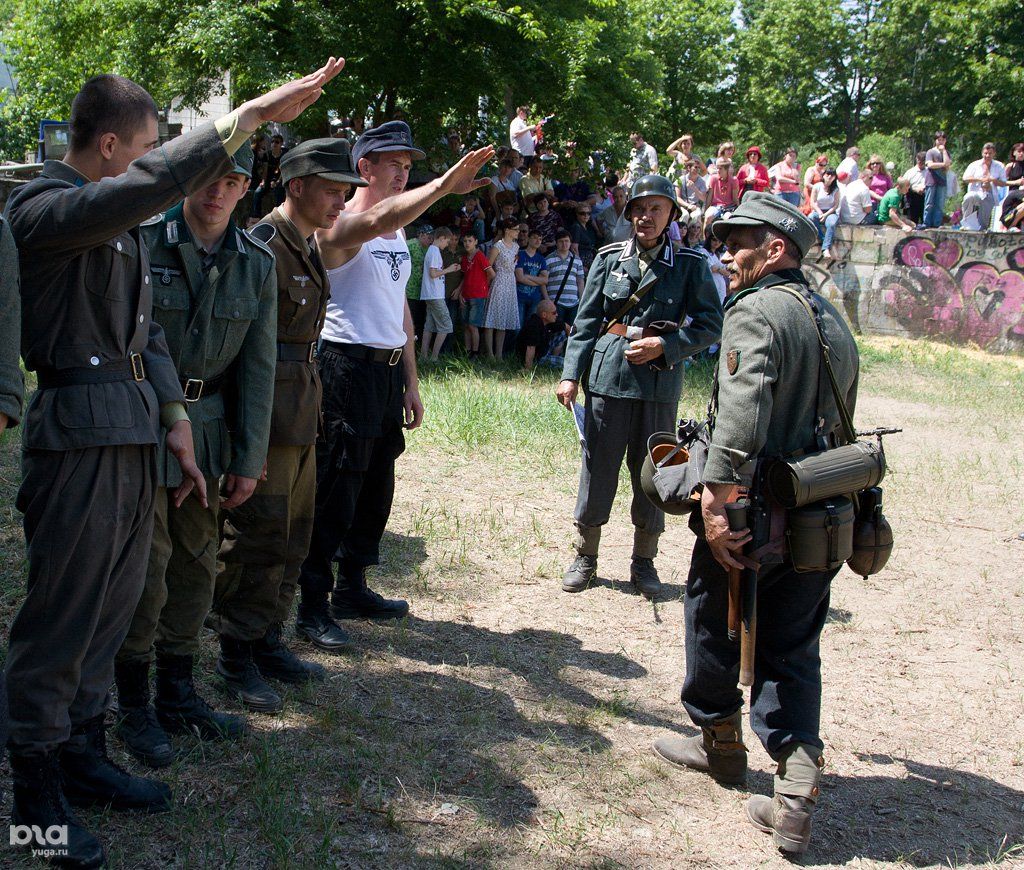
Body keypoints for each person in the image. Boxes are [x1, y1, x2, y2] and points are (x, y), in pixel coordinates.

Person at [3, 61, 342, 868]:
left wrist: (178, 421)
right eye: (150, 147)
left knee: (114, 604)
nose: (158, 160)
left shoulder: (110, 222)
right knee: (61, 620)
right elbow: (145, 189)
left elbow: (146, 334)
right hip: (78, 433)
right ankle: (35, 806)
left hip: (134, 431)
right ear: (113, 145)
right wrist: (248, 116)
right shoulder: (47, 208)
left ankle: (83, 757)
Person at [652, 193, 858, 856]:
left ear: (776, 250)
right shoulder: (829, 316)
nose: (726, 254)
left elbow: (741, 413)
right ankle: (795, 794)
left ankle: (721, 744)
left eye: (740, 242)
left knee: (713, 616)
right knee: (794, 647)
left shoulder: (756, 311)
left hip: (753, 511)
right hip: (820, 511)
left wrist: (716, 504)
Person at [293, 122, 493, 648]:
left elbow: (398, 306)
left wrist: (410, 379)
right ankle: (312, 603)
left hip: (383, 370)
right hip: (345, 366)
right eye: (394, 165)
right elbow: (382, 215)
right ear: (364, 168)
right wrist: (445, 186)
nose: (404, 174)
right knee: (338, 484)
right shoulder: (344, 224)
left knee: (377, 482)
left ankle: (353, 587)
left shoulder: (396, 230)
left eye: (409, 166)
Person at [114, 142, 276, 768]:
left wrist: (248, 456)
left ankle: (179, 695)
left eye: (232, 181)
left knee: (197, 564)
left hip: (209, 435)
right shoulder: (143, 242)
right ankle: (134, 707)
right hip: (145, 422)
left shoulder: (253, 265)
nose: (217, 193)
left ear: (244, 189)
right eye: (209, 178)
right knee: (147, 567)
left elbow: (257, 371)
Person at [209, 137, 366, 711]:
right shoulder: (263, 246)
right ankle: (236, 653)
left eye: (346, 192)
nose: (342, 203)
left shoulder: (305, 243)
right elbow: (238, 349)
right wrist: (245, 438)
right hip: (266, 416)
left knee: (295, 534)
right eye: (332, 191)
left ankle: (269, 637)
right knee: (258, 536)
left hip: (302, 410)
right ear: (296, 186)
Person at [556, 175, 722, 599]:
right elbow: (588, 320)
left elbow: (709, 325)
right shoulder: (609, 258)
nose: (646, 217)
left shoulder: (690, 265)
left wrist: (666, 345)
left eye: (656, 209)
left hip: (658, 383)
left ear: (671, 216)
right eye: (639, 208)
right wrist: (571, 374)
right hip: (609, 378)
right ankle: (585, 555)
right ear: (629, 213)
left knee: (656, 473)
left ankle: (644, 561)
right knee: (598, 467)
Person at [419, 226, 460, 361]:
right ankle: (434, 357)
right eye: (447, 241)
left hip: (430, 294)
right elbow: (433, 273)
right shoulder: (435, 251)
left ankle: (423, 357)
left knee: (429, 326)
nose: (447, 244)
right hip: (435, 295)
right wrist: (448, 270)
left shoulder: (432, 250)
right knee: (446, 325)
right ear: (441, 238)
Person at [482, 217, 520, 359]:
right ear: (507, 230)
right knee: (492, 317)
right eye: (515, 229)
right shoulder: (498, 246)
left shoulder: (516, 246)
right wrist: (487, 285)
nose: (518, 232)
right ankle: (490, 354)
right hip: (499, 281)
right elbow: (488, 266)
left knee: (503, 320)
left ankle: (499, 354)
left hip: (510, 282)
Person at [459, 231, 494, 356]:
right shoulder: (464, 257)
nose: (467, 244)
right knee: (467, 325)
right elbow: (465, 276)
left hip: (478, 296)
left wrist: (484, 286)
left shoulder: (480, 256)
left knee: (473, 325)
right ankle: (467, 351)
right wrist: (460, 292)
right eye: (465, 241)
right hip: (466, 294)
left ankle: (475, 352)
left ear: (476, 242)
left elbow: (491, 273)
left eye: (470, 241)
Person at [960, 142, 1007, 231]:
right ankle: (967, 224)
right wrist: (980, 179)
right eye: (985, 153)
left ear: (994, 154)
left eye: (990, 153)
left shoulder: (999, 166)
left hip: (990, 193)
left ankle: (982, 228)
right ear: (982, 153)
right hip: (976, 191)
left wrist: (992, 180)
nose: (987, 155)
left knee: (987, 207)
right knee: (969, 197)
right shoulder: (974, 165)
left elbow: (1003, 183)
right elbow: (965, 178)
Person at [545, 229, 585, 324]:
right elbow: (543, 282)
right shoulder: (548, 259)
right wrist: (547, 300)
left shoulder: (577, 260)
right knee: (556, 331)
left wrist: (582, 300)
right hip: (555, 301)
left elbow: (580, 281)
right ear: (556, 243)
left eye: (566, 241)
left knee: (572, 331)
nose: (564, 244)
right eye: (561, 241)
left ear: (570, 243)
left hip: (574, 302)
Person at [517, 299, 567, 369]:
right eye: (554, 313)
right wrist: (528, 368)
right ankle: (553, 362)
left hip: (544, 350)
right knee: (566, 363)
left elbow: (566, 326)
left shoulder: (548, 321)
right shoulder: (533, 326)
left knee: (562, 333)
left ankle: (554, 358)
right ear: (544, 315)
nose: (557, 314)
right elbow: (530, 348)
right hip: (537, 358)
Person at [515, 228, 549, 327]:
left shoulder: (541, 259)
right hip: (519, 296)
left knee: (530, 326)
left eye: (540, 239)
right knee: (518, 327)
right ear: (528, 239)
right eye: (535, 238)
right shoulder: (520, 254)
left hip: (535, 298)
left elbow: (545, 280)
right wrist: (538, 281)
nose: (538, 241)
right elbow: (519, 278)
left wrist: (527, 276)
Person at [809, 167, 844, 259]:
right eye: (827, 174)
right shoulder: (817, 186)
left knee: (831, 223)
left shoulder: (836, 189)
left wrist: (825, 214)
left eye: (832, 175)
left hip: (830, 211)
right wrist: (820, 212)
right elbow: (812, 202)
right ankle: (823, 238)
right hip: (818, 210)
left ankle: (825, 248)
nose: (829, 177)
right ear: (823, 175)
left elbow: (836, 205)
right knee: (811, 217)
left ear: (834, 177)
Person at [405, 224, 433, 339]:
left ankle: (418, 345)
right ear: (421, 235)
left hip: (422, 291)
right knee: (410, 318)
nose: (431, 240)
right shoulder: (410, 244)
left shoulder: (429, 249)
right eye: (428, 237)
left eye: (432, 237)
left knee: (420, 318)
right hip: (409, 290)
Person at [252, 133, 286, 218]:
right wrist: (263, 181)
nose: (274, 144)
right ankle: (256, 216)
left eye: (277, 142)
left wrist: (277, 181)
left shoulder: (283, 156)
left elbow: (282, 171)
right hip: (268, 180)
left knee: (279, 193)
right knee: (257, 192)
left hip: (279, 180)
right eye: (272, 141)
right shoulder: (267, 155)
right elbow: (265, 169)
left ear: (281, 144)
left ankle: (279, 216)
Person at [923, 130, 952, 228]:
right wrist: (943, 164)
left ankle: (937, 223)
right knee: (929, 203)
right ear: (935, 140)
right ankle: (926, 223)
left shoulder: (946, 153)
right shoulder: (930, 152)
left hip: (942, 181)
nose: (941, 142)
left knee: (940, 204)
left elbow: (948, 165)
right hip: (931, 181)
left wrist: (943, 151)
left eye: (943, 140)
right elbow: (930, 165)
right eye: (939, 140)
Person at [705, 158, 739, 226]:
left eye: (720, 169)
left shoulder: (734, 180)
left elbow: (735, 198)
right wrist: (706, 210)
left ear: (726, 170)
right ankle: (705, 236)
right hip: (716, 206)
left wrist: (738, 209)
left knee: (728, 219)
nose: (718, 170)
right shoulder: (713, 178)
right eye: (717, 168)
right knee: (708, 217)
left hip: (729, 207)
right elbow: (710, 196)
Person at [998, 143, 1024, 230]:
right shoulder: (1010, 166)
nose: (1021, 154)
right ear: (1014, 153)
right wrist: (1016, 182)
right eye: (1019, 151)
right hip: (1012, 192)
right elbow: (1001, 182)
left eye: (1023, 152)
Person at [569, 202, 600, 273]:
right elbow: (574, 248)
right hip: (582, 260)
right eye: (582, 213)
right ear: (577, 214)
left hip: (590, 258)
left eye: (588, 213)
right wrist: (580, 265)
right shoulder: (576, 227)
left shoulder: (589, 227)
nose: (586, 215)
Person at [676, 160, 708, 227]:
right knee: (684, 215)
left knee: (696, 216)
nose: (697, 169)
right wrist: (687, 205)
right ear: (689, 168)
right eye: (695, 167)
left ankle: (693, 236)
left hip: (695, 206)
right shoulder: (681, 179)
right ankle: (682, 235)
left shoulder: (701, 181)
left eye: (699, 168)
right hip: (683, 206)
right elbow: (677, 197)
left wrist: (694, 188)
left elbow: (704, 198)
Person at [899, 152, 928, 225]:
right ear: (917, 160)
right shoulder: (910, 172)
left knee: (924, 221)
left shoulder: (929, 172)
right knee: (912, 221)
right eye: (919, 161)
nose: (921, 163)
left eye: (923, 161)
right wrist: (914, 189)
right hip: (912, 198)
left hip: (925, 198)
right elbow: (903, 185)